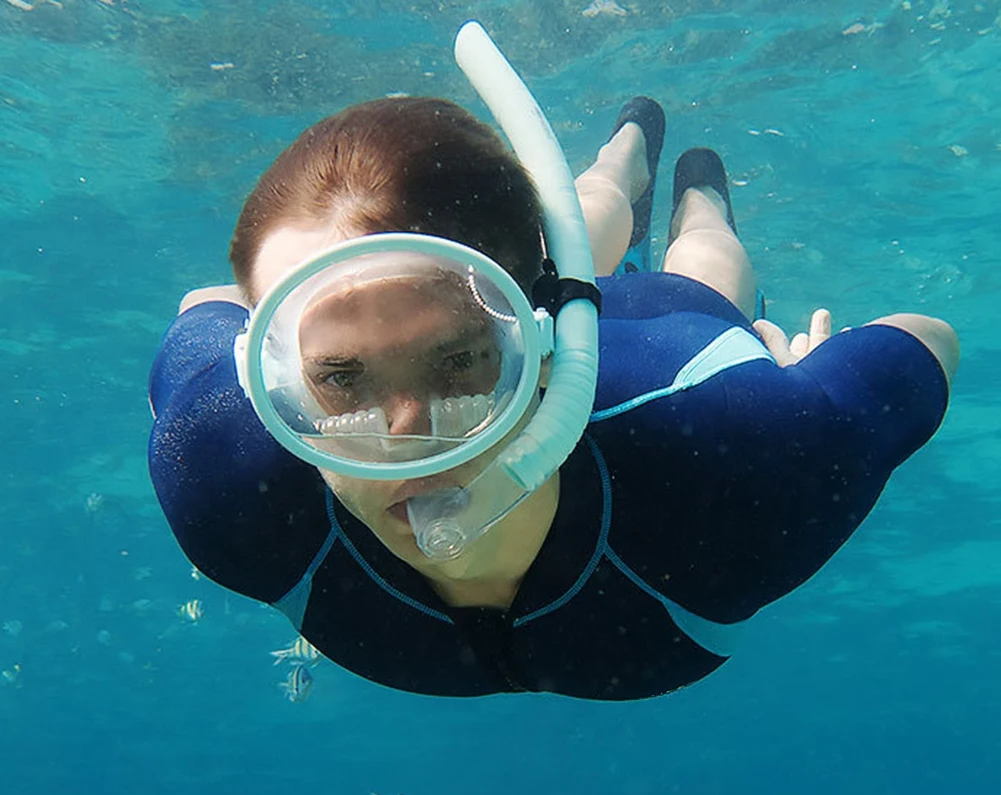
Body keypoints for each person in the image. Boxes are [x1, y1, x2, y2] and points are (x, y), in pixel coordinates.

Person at [148, 29, 957, 701]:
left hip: (645, 350)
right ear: (274, 382)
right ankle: (615, 164)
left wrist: (808, 386)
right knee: (574, 224)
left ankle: (683, 188)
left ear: (542, 342)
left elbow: (929, 338)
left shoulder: (740, 448)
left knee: (701, 271)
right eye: (339, 376)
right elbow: (205, 307)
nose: (407, 439)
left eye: (459, 359)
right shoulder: (222, 465)